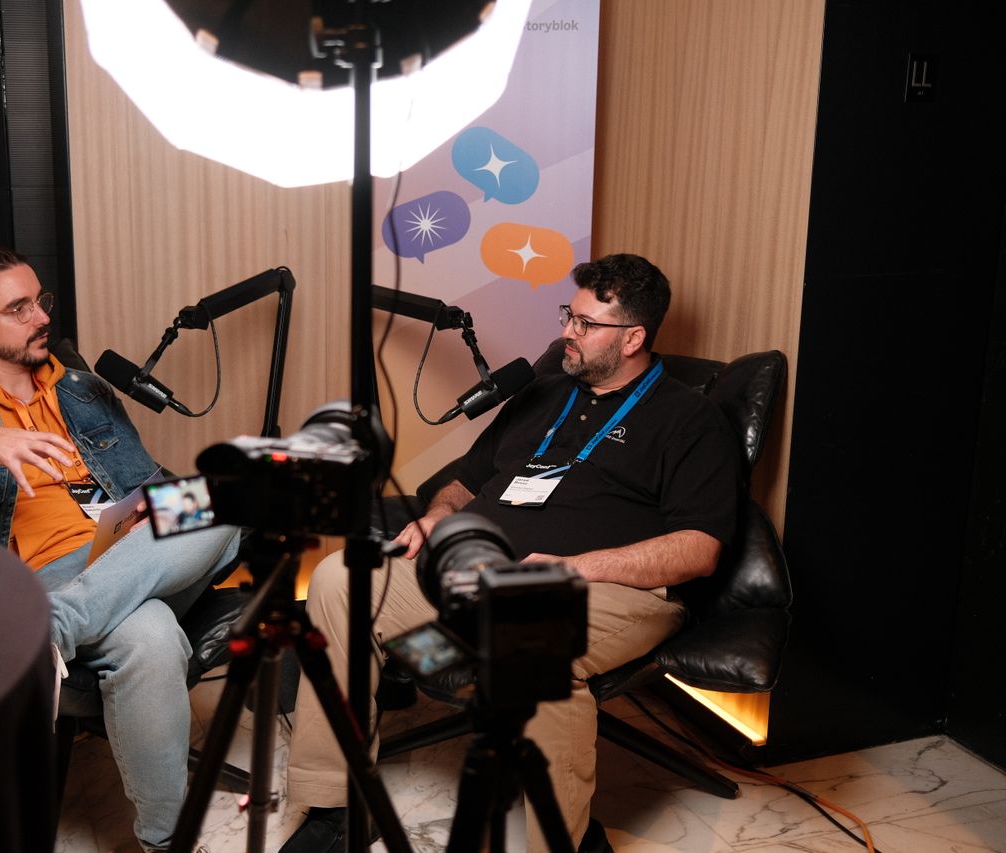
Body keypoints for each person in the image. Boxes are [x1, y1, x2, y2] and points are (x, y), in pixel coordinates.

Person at [279, 253, 740, 853]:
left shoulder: (689, 420)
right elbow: (464, 479)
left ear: (633, 338)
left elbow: (698, 550)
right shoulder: (543, 393)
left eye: (584, 324)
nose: (565, 334)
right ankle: (331, 802)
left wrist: (577, 566)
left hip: (609, 588)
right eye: (567, 316)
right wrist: (440, 515)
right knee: (344, 578)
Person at [0, 245, 240, 853]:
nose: (42, 317)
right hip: (42, 576)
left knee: (233, 492)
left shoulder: (85, 389)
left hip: (135, 553)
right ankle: (169, 844)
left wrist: (172, 511)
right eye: (18, 308)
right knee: (148, 636)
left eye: (40, 300)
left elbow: (148, 485)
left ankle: (50, 635)